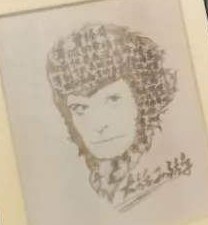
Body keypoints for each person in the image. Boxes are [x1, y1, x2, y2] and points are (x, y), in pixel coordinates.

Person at [46, 23, 179, 207]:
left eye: (113, 99)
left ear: (144, 98)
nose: (98, 125)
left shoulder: (170, 173)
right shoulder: (93, 185)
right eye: (79, 107)